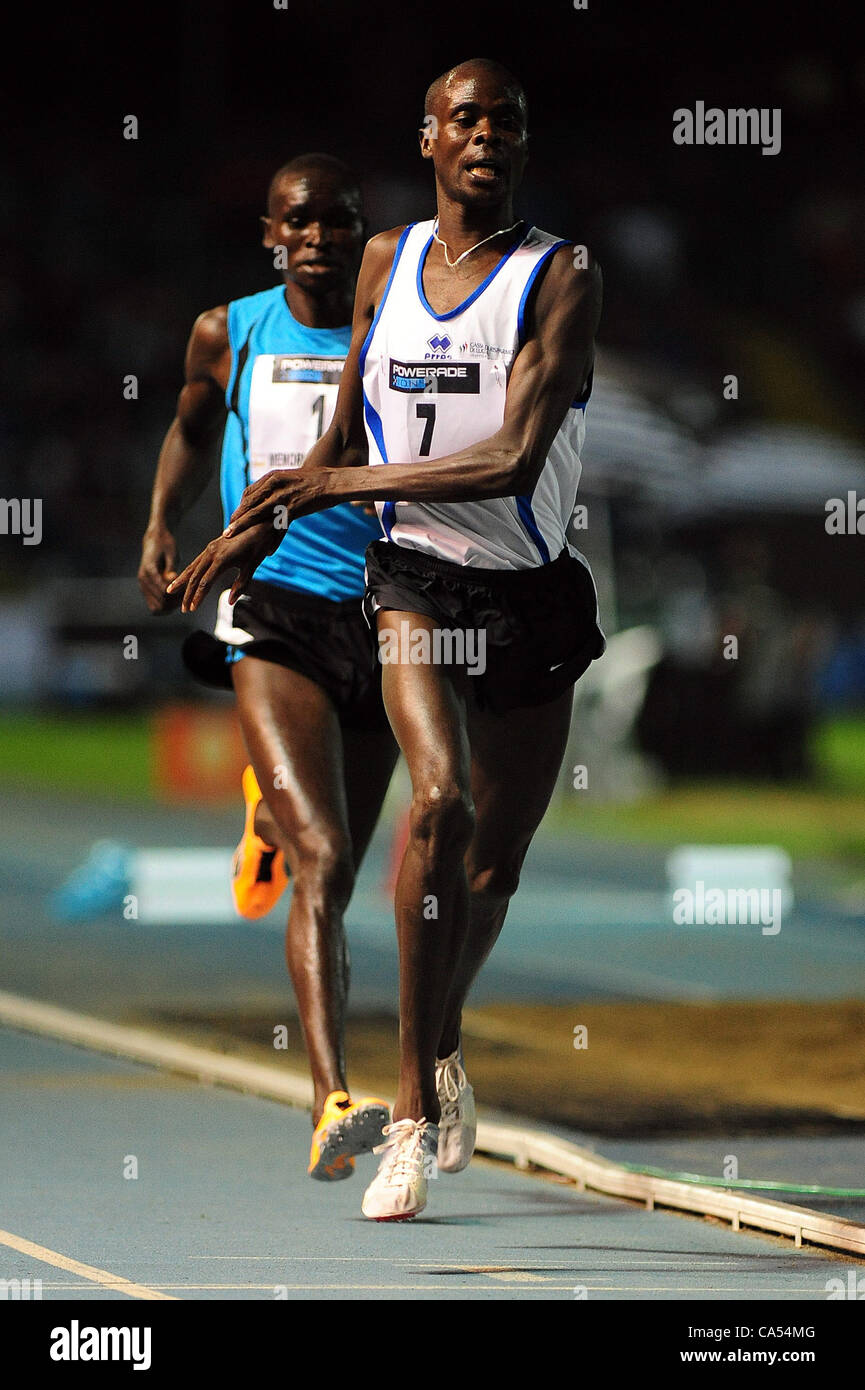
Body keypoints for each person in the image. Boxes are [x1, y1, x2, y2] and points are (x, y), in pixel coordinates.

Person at [169, 60, 605, 1221]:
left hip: (529, 592)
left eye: (506, 122)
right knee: (440, 801)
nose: (486, 138)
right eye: (465, 119)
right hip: (410, 580)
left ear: (520, 144)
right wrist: (246, 528)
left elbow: (513, 457)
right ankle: (404, 1115)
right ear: (428, 138)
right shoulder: (387, 260)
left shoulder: (560, 276)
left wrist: (347, 480)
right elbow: (339, 424)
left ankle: (443, 1043)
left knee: (491, 864)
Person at [139, 153, 397, 1182]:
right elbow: (192, 428)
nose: (322, 239)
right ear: (269, 233)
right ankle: (331, 1097)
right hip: (274, 608)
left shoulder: (397, 334)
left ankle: (265, 812)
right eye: (302, 222)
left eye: (340, 222)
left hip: (386, 615)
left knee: (350, 867)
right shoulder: (230, 328)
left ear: (363, 232)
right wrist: (161, 522)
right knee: (325, 863)